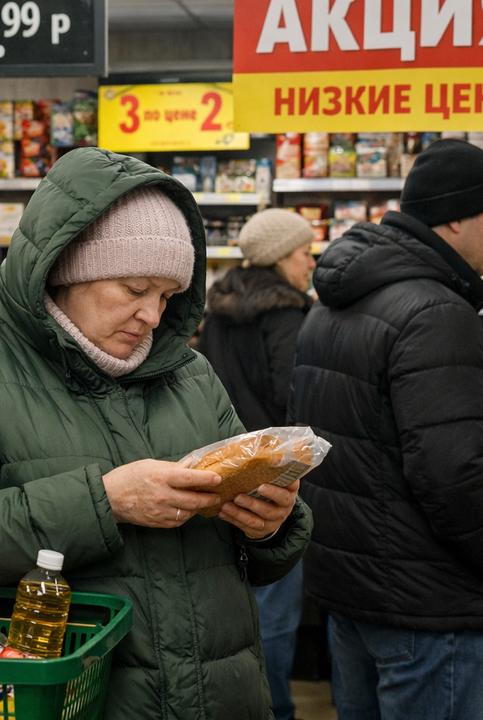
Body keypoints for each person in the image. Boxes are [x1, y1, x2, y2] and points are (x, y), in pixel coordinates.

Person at [0, 147, 313, 720]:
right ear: (64, 268)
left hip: (220, 697)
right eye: (135, 290)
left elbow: (251, 563)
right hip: (71, 699)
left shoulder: (191, 374)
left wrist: (272, 527)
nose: (153, 317)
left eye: (166, 296)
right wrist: (104, 502)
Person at [289, 139, 483, 720]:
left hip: (350, 590)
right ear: (454, 216)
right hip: (427, 606)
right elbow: (452, 472)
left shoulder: (331, 303)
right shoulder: (436, 312)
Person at [198, 208, 315, 720]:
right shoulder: (288, 312)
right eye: (305, 251)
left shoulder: (221, 305)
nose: (311, 261)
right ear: (280, 257)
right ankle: (277, 710)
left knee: (237, 603)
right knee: (277, 606)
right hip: (273, 476)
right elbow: (295, 398)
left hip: (224, 463)